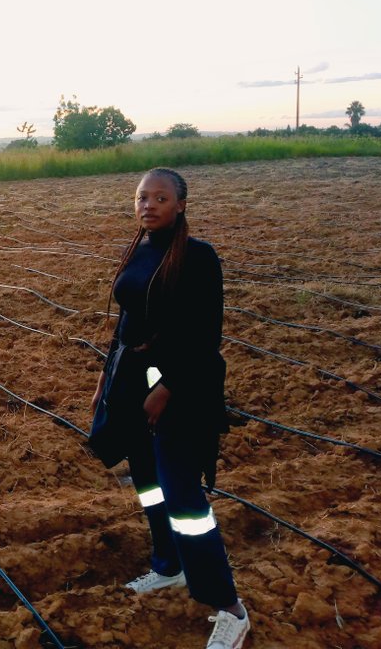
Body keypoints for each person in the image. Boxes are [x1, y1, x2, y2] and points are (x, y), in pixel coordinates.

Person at [90, 167, 250, 649]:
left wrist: (169, 387)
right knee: (148, 481)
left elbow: (206, 335)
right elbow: (128, 322)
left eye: (160, 197)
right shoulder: (138, 252)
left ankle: (230, 607)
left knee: (183, 497)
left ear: (180, 204)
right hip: (132, 379)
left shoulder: (198, 257)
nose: (149, 205)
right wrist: (106, 372)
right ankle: (168, 566)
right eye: (142, 197)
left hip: (182, 387)